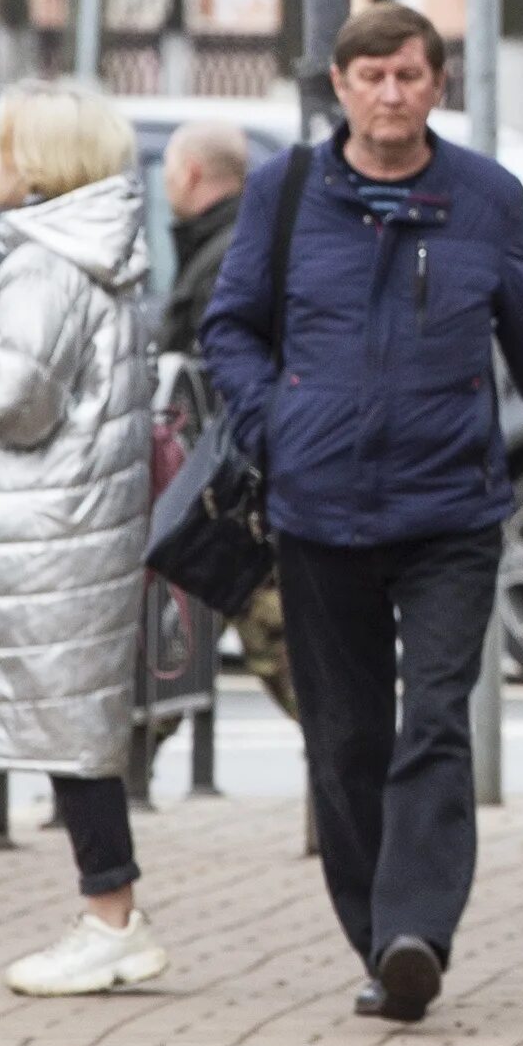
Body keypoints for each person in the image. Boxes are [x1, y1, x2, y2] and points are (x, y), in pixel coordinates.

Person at [202, 1, 523, 1024]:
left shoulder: (483, 198)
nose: (390, 94)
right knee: (342, 739)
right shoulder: (284, 193)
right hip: (316, 511)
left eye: (409, 76)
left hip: (448, 513)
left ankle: (416, 933)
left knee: (435, 720)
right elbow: (229, 332)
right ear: (339, 87)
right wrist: (276, 425)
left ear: (437, 87)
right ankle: (374, 942)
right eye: (371, 77)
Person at [0, 81, 166, 999]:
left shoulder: (45, 263)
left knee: (69, 721)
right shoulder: (98, 252)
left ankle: (111, 917)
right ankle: (111, 911)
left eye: (4, 145)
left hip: (48, 523)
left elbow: (14, 402)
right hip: (82, 519)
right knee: (74, 717)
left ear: (44, 161)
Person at [158, 119, 296, 721]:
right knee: (183, 630)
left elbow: (225, 364)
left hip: (231, 486)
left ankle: (372, 790)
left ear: (188, 173)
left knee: (267, 637)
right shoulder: (232, 242)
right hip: (223, 487)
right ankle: (113, 774)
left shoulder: (226, 253)